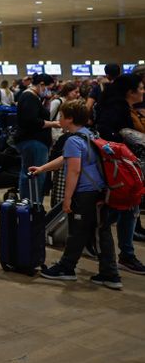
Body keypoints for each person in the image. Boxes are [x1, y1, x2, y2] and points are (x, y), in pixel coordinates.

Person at [29, 99, 121, 288]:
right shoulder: (89, 135)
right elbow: (66, 159)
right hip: (101, 191)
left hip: (85, 194)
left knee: (78, 232)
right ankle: (109, 274)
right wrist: (42, 168)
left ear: (70, 119)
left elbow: (74, 170)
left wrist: (67, 199)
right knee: (101, 231)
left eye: (61, 117)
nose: (59, 120)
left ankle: (67, 268)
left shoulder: (73, 140)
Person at [95, 73, 145, 276]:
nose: (143, 91)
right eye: (140, 88)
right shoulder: (117, 109)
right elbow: (106, 132)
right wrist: (127, 142)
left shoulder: (120, 107)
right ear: (130, 91)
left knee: (127, 209)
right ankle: (123, 254)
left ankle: (125, 254)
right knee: (119, 210)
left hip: (123, 168)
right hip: (120, 169)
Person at [15, 74, 61, 200]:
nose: (49, 91)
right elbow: (31, 121)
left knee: (33, 175)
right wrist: (53, 124)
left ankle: (31, 204)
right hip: (32, 141)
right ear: (41, 84)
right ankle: (32, 204)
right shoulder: (29, 97)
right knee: (34, 174)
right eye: (49, 88)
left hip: (35, 142)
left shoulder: (35, 97)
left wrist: (47, 101)